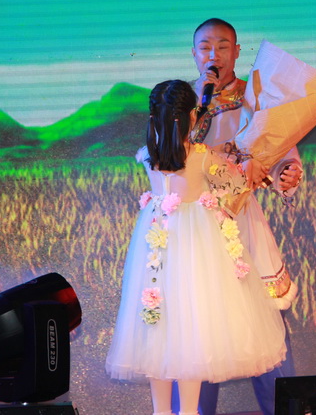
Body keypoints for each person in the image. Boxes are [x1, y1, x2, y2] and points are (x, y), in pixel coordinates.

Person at [105, 79, 287, 415]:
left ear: (153, 117)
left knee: (159, 329)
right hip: (195, 248)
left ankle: (162, 411)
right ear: (192, 116)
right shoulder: (202, 156)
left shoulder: (146, 156)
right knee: (193, 327)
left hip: (158, 244)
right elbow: (235, 182)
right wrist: (249, 167)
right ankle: (188, 411)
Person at [180, 18, 302, 415]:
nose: (213, 55)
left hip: (241, 224)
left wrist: (287, 172)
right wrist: (196, 109)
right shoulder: (180, 101)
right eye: (205, 47)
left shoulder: (257, 97)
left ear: (236, 52)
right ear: (194, 53)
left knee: (266, 327)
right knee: (198, 332)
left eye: (222, 46)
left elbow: (279, 146)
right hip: (195, 229)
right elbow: (164, 156)